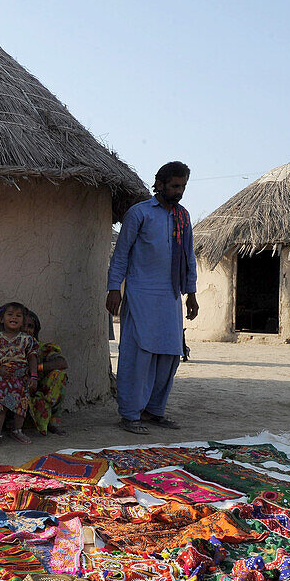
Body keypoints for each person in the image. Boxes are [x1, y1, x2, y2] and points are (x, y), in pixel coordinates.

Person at [106, 161, 199, 435]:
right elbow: (121, 254)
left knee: (170, 354)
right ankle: (130, 414)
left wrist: (191, 294)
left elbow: (189, 257)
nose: (179, 192)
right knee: (138, 355)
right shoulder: (139, 214)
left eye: (182, 187)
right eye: (174, 186)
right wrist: (114, 288)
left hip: (171, 295)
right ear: (159, 184)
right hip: (140, 294)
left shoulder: (183, 217)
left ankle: (154, 410)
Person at [0, 302, 38, 447]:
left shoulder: (27, 339)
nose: (14, 318)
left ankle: (17, 430)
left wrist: (33, 376)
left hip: (20, 378)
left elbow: (32, 357)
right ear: (2, 319)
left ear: (23, 320)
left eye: (18, 316)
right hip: (2, 377)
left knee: (21, 404)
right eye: (10, 315)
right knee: (0, 404)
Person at [22, 309, 68, 435]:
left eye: (30, 327)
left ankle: (53, 421)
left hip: (40, 391)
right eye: (23, 326)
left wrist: (36, 369)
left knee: (59, 376)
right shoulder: (9, 346)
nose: (26, 330)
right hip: (22, 393)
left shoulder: (41, 348)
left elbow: (62, 363)